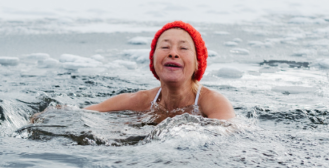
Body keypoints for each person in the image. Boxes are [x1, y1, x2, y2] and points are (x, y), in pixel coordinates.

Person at [85, 21, 235, 120]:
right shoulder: (142, 100)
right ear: (153, 59)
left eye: (183, 48)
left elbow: (226, 141)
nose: (173, 53)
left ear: (197, 63)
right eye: (165, 47)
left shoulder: (214, 102)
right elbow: (86, 112)